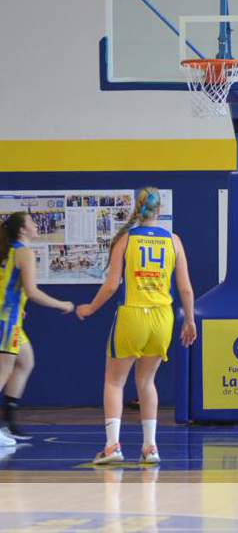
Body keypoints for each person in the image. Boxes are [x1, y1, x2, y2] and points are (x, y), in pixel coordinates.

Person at [76, 188, 197, 464]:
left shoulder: (126, 240)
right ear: (160, 209)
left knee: (114, 381)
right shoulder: (174, 241)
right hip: (162, 317)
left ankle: (112, 447)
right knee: (146, 381)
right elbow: (186, 289)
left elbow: (111, 286)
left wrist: (90, 308)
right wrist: (190, 320)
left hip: (132, 314)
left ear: (137, 208)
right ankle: (150, 447)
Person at [0, 212, 74, 444]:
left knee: (25, 361)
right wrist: (63, 304)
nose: (36, 224)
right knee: (3, 372)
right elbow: (32, 292)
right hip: (6, 321)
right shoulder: (24, 253)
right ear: (22, 229)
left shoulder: (7, 251)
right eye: (31, 221)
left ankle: (8, 423)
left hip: (10, 318)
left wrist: (17, 306)